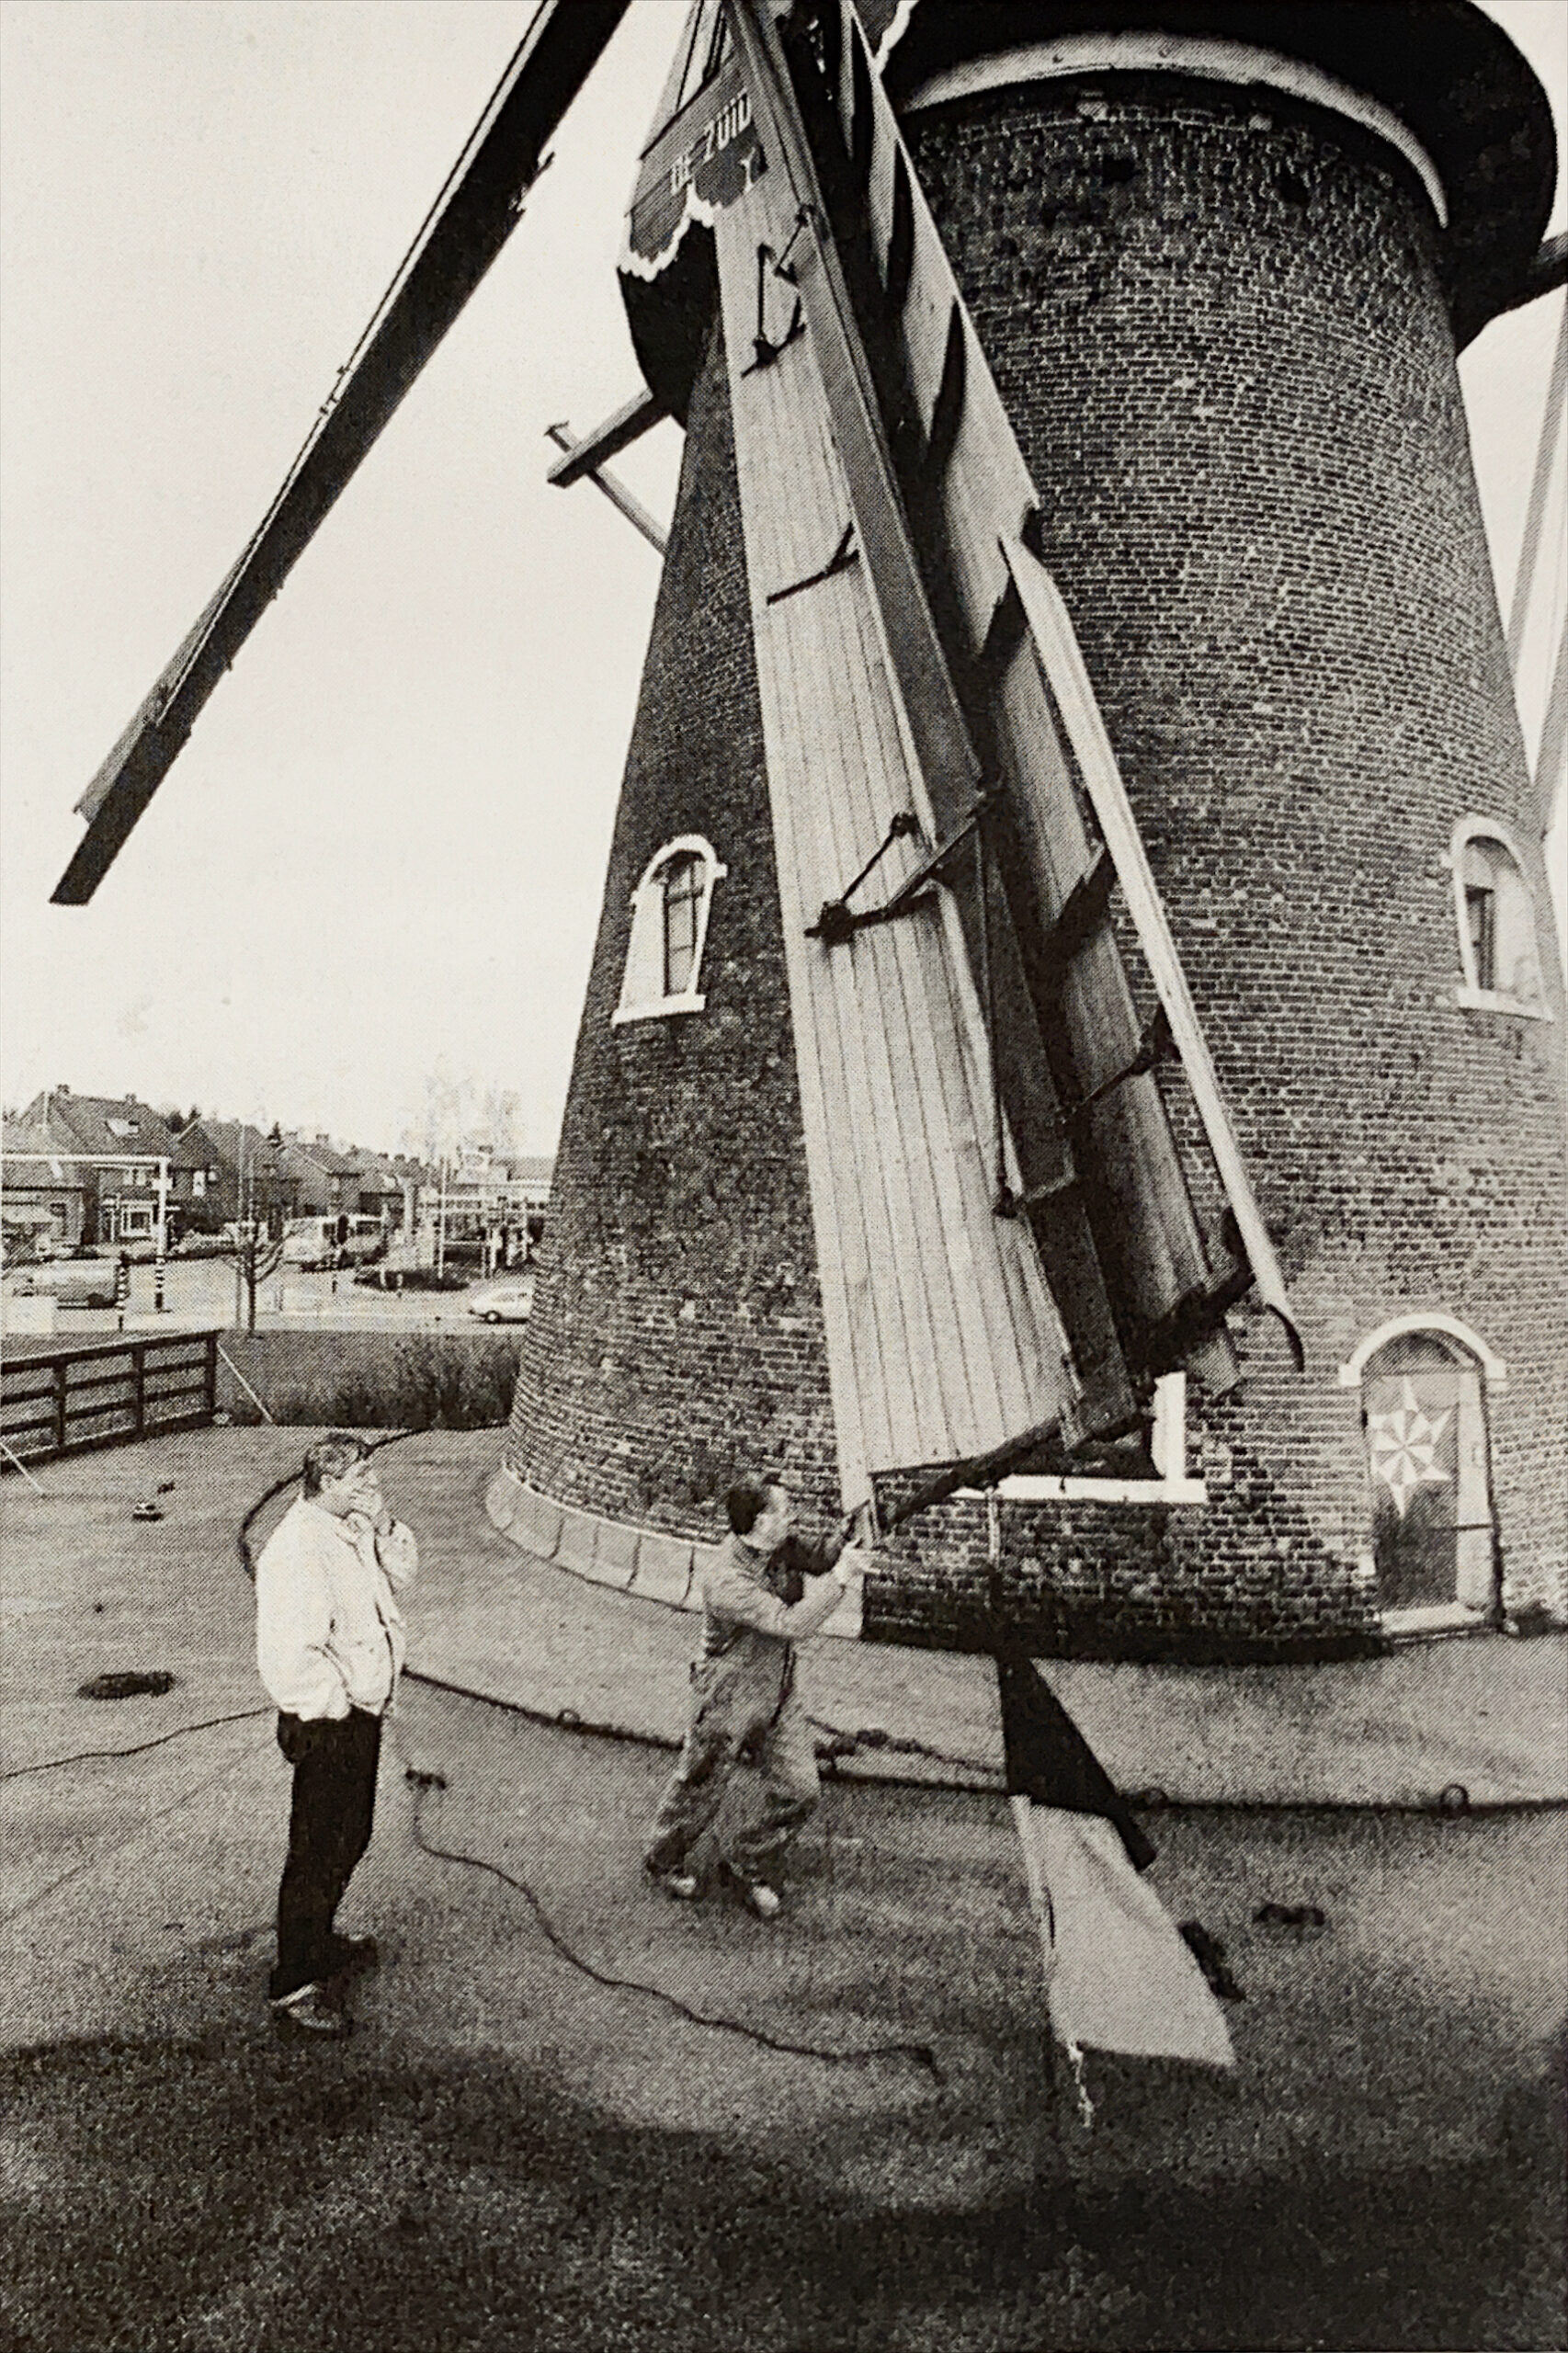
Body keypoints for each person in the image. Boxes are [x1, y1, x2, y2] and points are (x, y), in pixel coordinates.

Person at [255, 1432, 417, 2038]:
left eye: (372, 1477)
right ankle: (295, 1984)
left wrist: (382, 1522)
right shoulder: (297, 1549)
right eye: (360, 1481)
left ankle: (319, 1941)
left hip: (359, 1711)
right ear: (325, 1484)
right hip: (330, 1721)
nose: (371, 1488)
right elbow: (289, 1654)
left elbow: (403, 1573)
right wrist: (337, 1711)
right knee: (318, 1850)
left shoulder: (347, 1527)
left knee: (351, 1835)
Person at [643, 1472, 862, 1919]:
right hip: (727, 1697)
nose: (792, 1516)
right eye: (784, 1510)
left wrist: (850, 1532)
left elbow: (819, 1557)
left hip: (776, 1691)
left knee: (801, 1791)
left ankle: (745, 1858)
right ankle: (664, 1858)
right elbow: (790, 1624)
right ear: (761, 1522)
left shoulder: (780, 1546)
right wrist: (842, 1579)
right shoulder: (725, 1579)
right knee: (700, 1787)